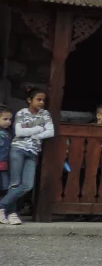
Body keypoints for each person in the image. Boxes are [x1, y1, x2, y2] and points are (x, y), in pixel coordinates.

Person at [1, 87, 53, 224]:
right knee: (14, 183)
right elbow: (19, 132)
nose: (41, 102)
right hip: (18, 149)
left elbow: (50, 132)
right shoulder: (21, 113)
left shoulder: (45, 114)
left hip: (33, 152)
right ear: (30, 100)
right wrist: (38, 129)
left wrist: (34, 134)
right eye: (38, 99)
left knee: (27, 185)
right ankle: (12, 213)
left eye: (43, 100)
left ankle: (1, 206)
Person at [0, 108, 10, 221]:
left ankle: (1, 210)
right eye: (5, 119)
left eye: (10, 119)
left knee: (5, 187)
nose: (8, 122)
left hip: (4, 166)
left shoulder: (7, 133)